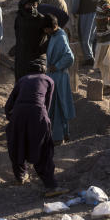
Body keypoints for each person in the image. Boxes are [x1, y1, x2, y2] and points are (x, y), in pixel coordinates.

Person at [5, 59, 64, 196]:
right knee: (43, 149)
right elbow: (47, 105)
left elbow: (9, 104)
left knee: (17, 143)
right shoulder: (48, 80)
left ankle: (20, 176)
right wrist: (44, 121)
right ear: (43, 70)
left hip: (18, 114)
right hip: (38, 114)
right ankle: (51, 186)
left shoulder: (22, 80)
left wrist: (12, 119)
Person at [44, 14, 75, 143]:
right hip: (54, 77)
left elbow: (70, 57)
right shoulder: (55, 35)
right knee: (56, 106)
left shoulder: (60, 37)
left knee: (58, 107)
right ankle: (63, 134)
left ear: (51, 27)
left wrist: (56, 66)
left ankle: (58, 138)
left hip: (59, 78)